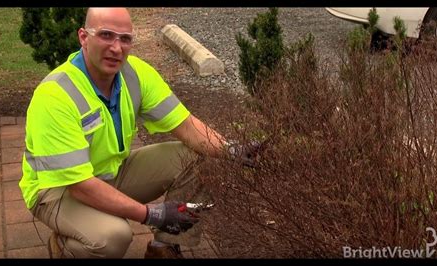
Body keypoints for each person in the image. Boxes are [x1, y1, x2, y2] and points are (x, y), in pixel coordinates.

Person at [19, 7, 259, 259]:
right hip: (58, 189)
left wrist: (231, 150)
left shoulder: (135, 74)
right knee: (113, 238)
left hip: (109, 171)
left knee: (198, 156)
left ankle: (164, 247)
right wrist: (151, 214)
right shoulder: (55, 95)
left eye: (125, 39)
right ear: (83, 37)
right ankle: (64, 248)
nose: (116, 47)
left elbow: (186, 125)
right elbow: (79, 185)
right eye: (106, 35)